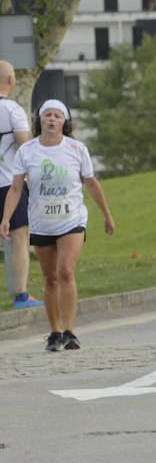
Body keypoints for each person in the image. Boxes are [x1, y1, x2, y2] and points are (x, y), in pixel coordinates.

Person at [1, 100, 114, 352]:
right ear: (39, 121)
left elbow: (92, 183)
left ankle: (70, 331)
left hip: (72, 219)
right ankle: (54, 332)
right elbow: (17, 187)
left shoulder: (76, 148)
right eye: (47, 115)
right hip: (42, 221)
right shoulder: (27, 151)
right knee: (50, 278)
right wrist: (6, 218)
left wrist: (107, 215)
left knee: (65, 272)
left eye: (57, 116)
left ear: (65, 122)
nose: (51, 120)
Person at [0, 59, 39, 309]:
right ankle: (21, 296)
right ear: (11, 80)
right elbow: (26, 146)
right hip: (7, 183)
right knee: (18, 236)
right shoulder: (12, 110)